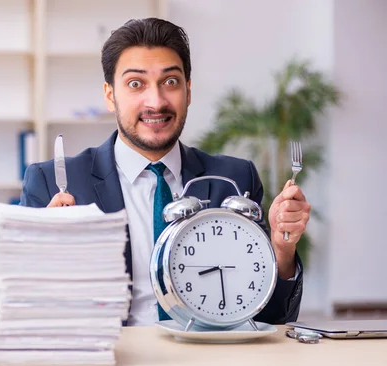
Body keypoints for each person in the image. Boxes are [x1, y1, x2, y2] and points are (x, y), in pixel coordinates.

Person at [20, 17, 308, 326]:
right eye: (135, 84)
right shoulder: (52, 182)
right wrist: (46, 251)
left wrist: (281, 250)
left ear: (188, 90)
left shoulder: (236, 179)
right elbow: (22, 306)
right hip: (108, 362)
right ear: (109, 95)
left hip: (207, 362)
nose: (155, 102)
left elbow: (271, 316)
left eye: (170, 82)